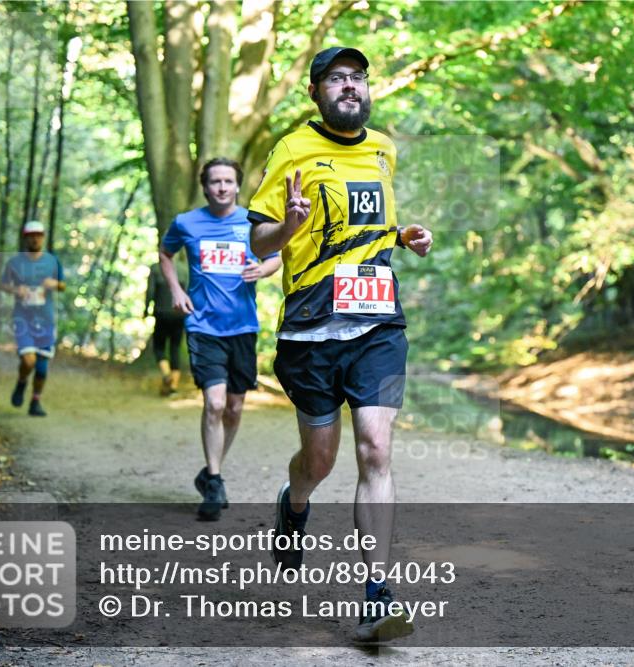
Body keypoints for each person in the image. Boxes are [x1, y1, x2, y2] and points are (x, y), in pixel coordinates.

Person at [248, 46, 433, 643]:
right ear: (315, 91)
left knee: (375, 451)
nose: (349, 87)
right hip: (310, 328)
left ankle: (377, 594)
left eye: (356, 78)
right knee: (320, 461)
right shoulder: (292, 150)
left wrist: (403, 236)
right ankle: (294, 499)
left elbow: (368, 226)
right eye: (336, 79)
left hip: (378, 320)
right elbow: (258, 243)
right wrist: (290, 226)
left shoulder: (383, 148)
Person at [159, 157, 281, 521]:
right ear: (205, 186)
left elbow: (276, 257)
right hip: (203, 326)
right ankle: (213, 479)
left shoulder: (252, 222)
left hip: (242, 327)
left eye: (228, 181)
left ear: (238, 186)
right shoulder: (186, 223)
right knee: (213, 403)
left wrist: (264, 268)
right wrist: (176, 291)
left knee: (234, 407)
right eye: (215, 182)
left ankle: (211, 469)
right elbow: (166, 254)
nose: (222, 187)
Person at [0, 221, 65, 417]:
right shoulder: (15, 262)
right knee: (28, 361)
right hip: (23, 319)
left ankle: (35, 401)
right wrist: (15, 289)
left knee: (42, 369)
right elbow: (3, 284)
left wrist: (54, 284)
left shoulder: (52, 261)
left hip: (45, 320)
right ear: (25, 237)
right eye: (31, 235)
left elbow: (63, 285)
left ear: (43, 237)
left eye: (39, 235)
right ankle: (21, 383)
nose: (35, 238)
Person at [145, 259, 187, 395]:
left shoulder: (156, 268)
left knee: (159, 347)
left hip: (161, 313)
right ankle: (173, 387)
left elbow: (150, 291)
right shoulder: (184, 269)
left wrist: (146, 309)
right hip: (179, 314)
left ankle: (167, 374)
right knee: (175, 348)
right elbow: (189, 292)